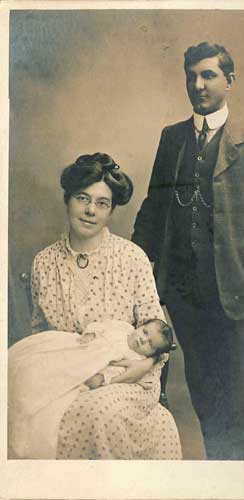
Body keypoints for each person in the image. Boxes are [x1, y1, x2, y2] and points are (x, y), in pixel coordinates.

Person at [132, 42, 244, 460]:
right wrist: (132, 260)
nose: (198, 84)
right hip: (184, 291)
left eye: (208, 75)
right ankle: (214, 464)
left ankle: (232, 472)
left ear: (229, 81)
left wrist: (236, 245)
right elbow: (154, 206)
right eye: (192, 76)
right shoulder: (173, 139)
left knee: (234, 388)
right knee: (202, 386)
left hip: (232, 288)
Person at [8, 152, 182, 460]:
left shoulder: (132, 258)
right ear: (67, 200)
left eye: (102, 203)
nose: (90, 210)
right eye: (82, 198)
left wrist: (133, 370)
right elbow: (42, 338)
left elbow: (158, 336)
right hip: (63, 375)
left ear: (112, 209)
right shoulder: (44, 263)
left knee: (99, 411)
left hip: (130, 374)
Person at [8, 318, 175, 458]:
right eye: (145, 332)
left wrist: (102, 378)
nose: (143, 340)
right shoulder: (123, 327)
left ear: (151, 354)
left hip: (88, 366)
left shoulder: (135, 357)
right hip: (78, 347)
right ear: (140, 326)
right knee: (38, 359)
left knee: (60, 380)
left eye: (150, 345)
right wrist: (91, 333)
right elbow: (101, 325)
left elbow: (117, 370)